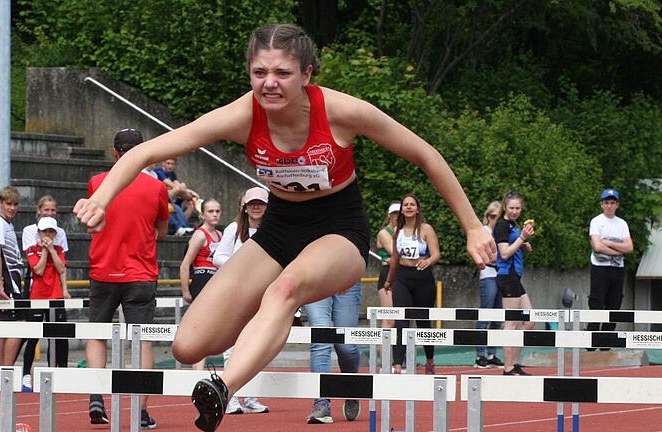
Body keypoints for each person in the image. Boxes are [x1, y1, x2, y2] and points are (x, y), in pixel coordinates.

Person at [74, 24, 495, 432]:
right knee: (188, 346)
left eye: (282, 73)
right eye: (259, 73)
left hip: (338, 230)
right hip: (278, 230)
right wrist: (100, 198)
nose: (269, 83)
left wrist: (473, 227)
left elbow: (426, 155)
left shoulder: (341, 112)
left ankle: (223, 387)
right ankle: (264, 325)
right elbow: (146, 151)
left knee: (284, 289)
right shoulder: (243, 115)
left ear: (307, 74)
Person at [85, 128, 169, 429]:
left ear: (114, 152)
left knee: (97, 334)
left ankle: (96, 395)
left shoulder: (97, 182)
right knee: (142, 339)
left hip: (104, 269)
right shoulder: (156, 188)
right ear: (142, 152)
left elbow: (92, 221)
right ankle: (141, 410)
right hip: (141, 272)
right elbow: (161, 231)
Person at [212, 187, 270, 416]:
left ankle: (251, 396)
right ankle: (230, 396)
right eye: (252, 203)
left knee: (256, 344)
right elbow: (218, 256)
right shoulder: (234, 229)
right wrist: (241, 268)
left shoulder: (274, 230)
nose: (256, 207)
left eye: (261, 204)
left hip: (262, 293)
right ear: (244, 206)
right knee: (232, 346)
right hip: (235, 292)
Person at [384, 194, 441, 375]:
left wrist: (428, 261)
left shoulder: (426, 229)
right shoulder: (397, 232)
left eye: (412, 205)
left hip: (423, 278)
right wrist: (389, 280)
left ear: (417, 209)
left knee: (423, 321)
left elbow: (436, 254)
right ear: (401, 209)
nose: (408, 207)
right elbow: (394, 258)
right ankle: (398, 365)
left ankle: (430, 360)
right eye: (405, 205)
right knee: (401, 320)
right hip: (402, 277)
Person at [21, 217, 70, 393]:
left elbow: (61, 268)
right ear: (39, 233)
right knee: (33, 337)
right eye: (44, 231)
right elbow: (39, 269)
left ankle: (57, 373)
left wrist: (51, 251)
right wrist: (45, 252)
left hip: (55, 296)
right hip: (37, 296)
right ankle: (26, 374)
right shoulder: (32, 250)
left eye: (51, 232)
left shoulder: (58, 249)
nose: (48, 235)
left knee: (57, 336)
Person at [305, 281, 363, 424]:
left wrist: (350, 274)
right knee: (320, 340)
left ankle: (352, 390)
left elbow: (363, 257)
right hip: (316, 278)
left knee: (346, 347)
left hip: (347, 278)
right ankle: (322, 403)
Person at [494, 191, 535, 375]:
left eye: (518, 208)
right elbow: (503, 253)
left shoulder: (513, 225)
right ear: (505, 207)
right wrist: (522, 239)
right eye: (511, 208)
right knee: (511, 322)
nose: (515, 211)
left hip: (515, 277)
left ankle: (514, 363)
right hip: (506, 276)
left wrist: (523, 246)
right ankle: (508, 366)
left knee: (530, 321)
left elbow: (513, 246)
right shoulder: (502, 225)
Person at [179, 198, 223, 370]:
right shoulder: (199, 235)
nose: (214, 214)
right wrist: (186, 291)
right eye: (211, 211)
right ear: (203, 214)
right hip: (201, 280)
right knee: (201, 327)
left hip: (215, 281)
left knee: (212, 327)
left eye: (217, 211)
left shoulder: (219, 235)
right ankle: (197, 370)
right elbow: (185, 264)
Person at [587, 188, 633, 348]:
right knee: (597, 302)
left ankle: (606, 343)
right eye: (606, 202)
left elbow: (629, 248)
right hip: (600, 267)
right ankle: (591, 343)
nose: (609, 206)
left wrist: (610, 243)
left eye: (612, 203)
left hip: (617, 269)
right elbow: (598, 246)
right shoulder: (596, 221)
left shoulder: (622, 224)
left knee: (614, 304)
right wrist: (618, 249)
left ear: (617, 205)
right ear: (602, 204)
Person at [0, 186, 25, 366]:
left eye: (15, 204)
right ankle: (6, 370)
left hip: (14, 283)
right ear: (0, 204)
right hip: (7, 285)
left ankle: (1, 372)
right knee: (17, 327)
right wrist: (0, 287)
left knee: (6, 329)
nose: (12, 208)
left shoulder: (8, 225)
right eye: (8, 204)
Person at [474, 201, 505, 368]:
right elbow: (486, 257)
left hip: (501, 275)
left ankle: (492, 353)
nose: (495, 220)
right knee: (485, 313)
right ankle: (480, 355)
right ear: (487, 217)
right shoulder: (484, 232)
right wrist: (503, 257)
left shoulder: (503, 231)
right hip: (488, 275)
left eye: (499, 217)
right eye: (492, 216)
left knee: (497, 317)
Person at [375, 201, 400, 329]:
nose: (397, 216)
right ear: (389, 215)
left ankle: (401, 349)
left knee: (403, 318)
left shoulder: (408, 231)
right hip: (387, 275)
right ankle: (383, 349)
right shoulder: (384, 233)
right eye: (394, 213)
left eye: (399, 213)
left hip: (402, 275)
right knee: (390, 319)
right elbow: (396, 253)